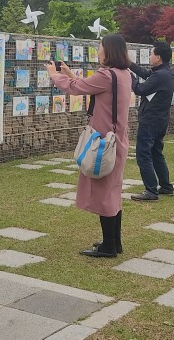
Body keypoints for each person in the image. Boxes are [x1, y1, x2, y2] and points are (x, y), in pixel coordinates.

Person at [44, 34, 132, 258]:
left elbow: (76, 89)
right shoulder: (123, 74)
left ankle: (109, 246)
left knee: (105, 195)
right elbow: (87, 87)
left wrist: (55, 75)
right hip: (117, 140)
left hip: (103, 143)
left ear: (109, 51)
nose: (98, 51)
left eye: (100, 47)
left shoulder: (107, 75)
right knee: (113, 192)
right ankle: (114, 242)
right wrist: (70, 75)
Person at [128, 42, 174, 202]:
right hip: (160, 120)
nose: (149, 56)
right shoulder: (166, 72)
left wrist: (130, 77)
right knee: (156, 153)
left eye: (151, 54)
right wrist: (130, 64)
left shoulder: (161, 75)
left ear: (159, 57)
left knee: (143, 155)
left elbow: (140, 89)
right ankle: (166, 186)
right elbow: (147, 74)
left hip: (151, 121)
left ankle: (151, 191)